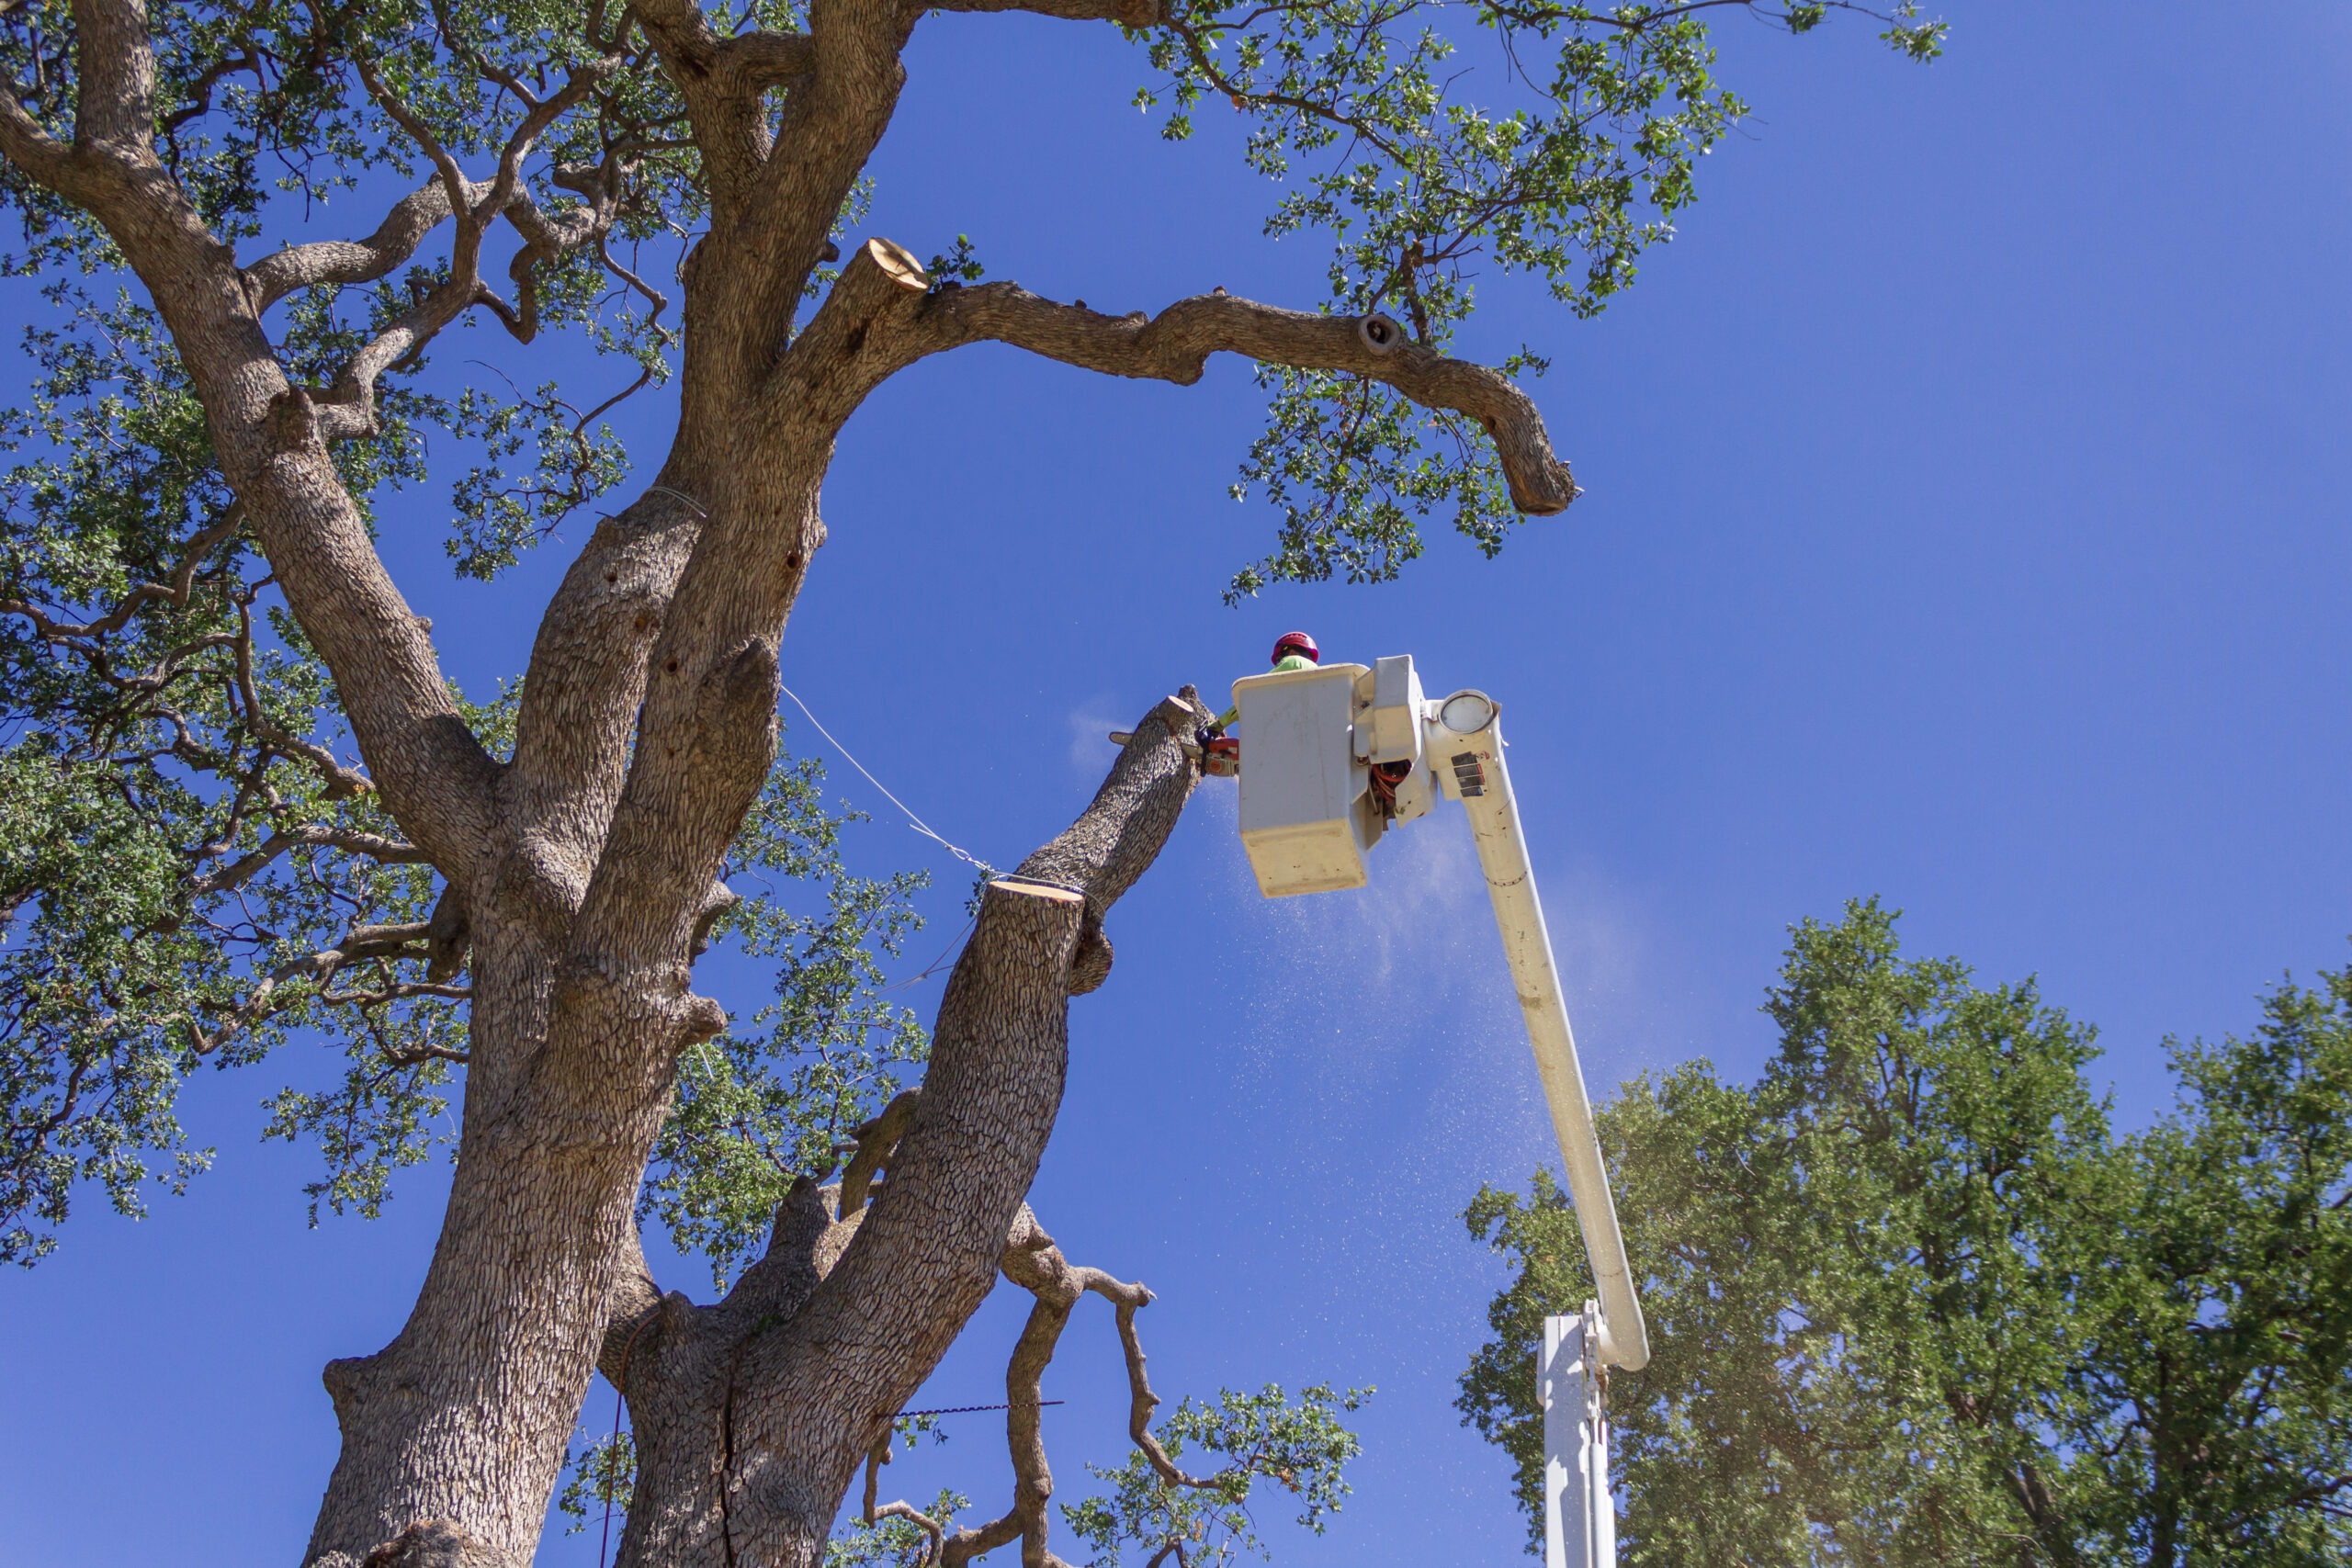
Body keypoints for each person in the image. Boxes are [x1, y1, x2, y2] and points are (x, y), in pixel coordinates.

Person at [1209, 631, 1319, 735]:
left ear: (1291, 652)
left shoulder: (1293, 661)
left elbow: (1251, 696)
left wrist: (1218, 724)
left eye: (1280, 660)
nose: (1279, 664)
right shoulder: (1320, 675)